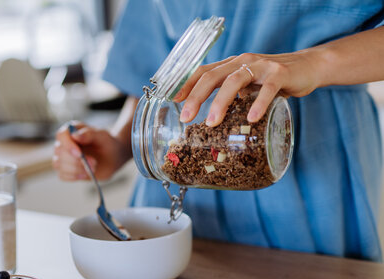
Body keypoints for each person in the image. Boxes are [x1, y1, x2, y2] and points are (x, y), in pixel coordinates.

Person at [52, 0, 384, 261]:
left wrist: (316, 63)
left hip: (305, 153)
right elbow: (154, 69)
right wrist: (122, 141)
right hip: (180, 155)